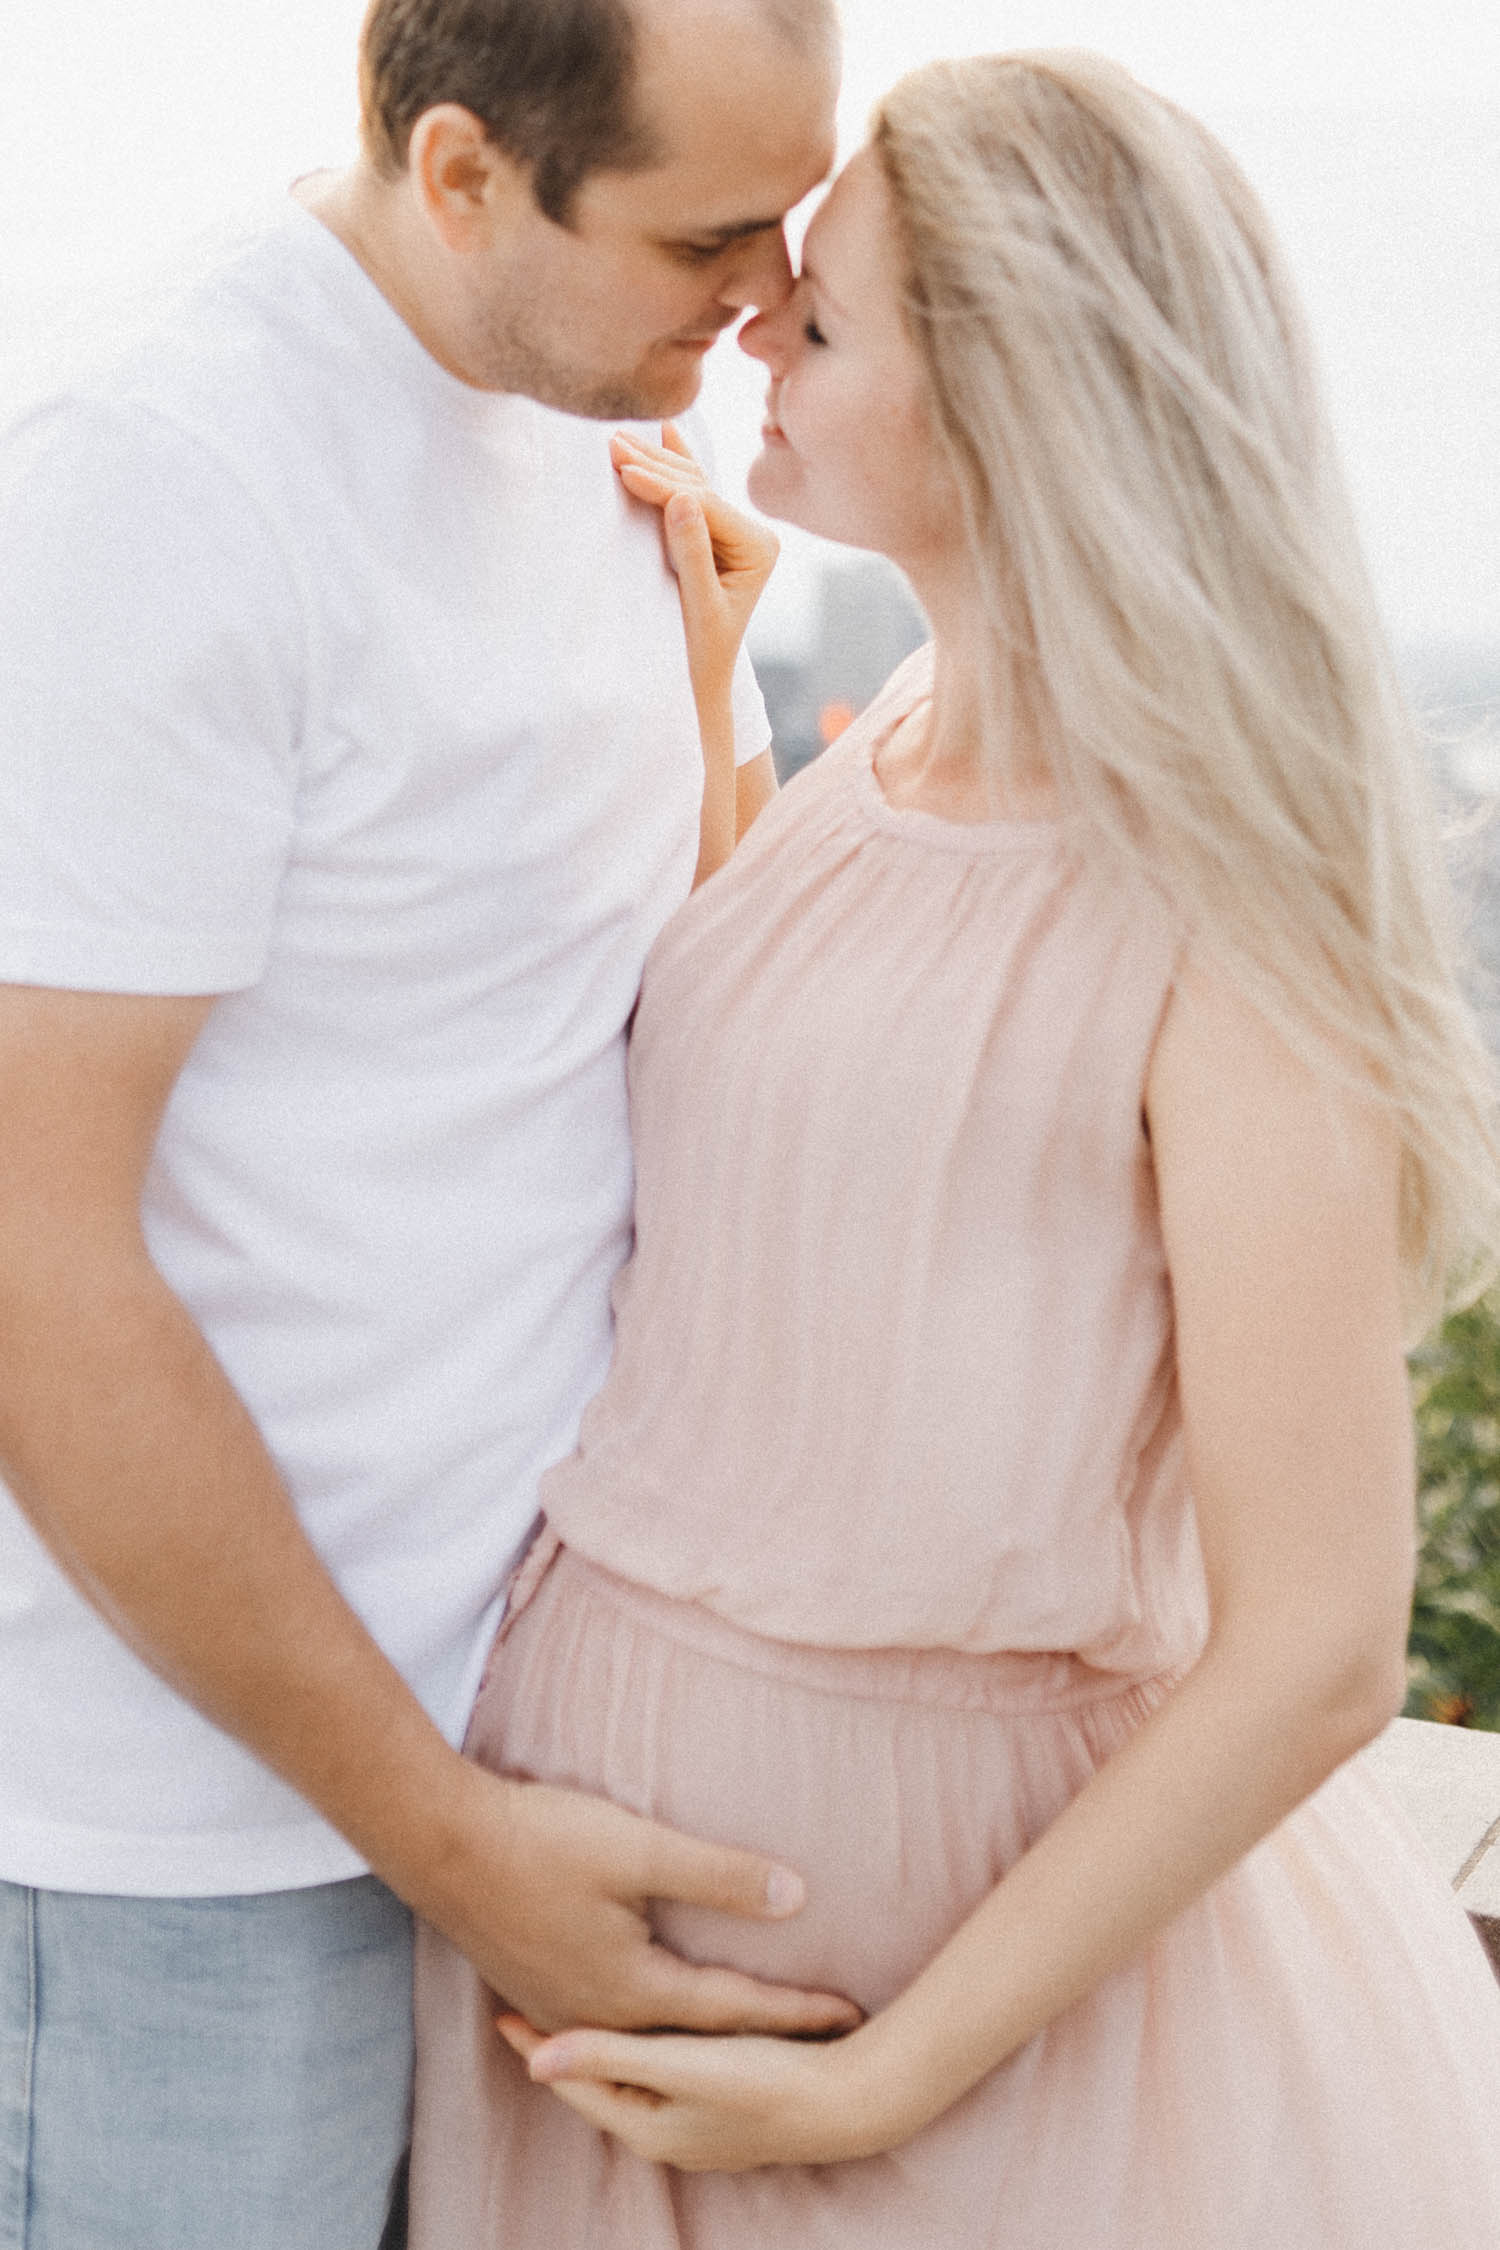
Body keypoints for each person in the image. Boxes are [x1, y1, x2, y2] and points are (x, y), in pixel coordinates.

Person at [408, 50, 1500, 2249]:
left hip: (957, 2054)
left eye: (821, 318)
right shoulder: (883, 737)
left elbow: (1314, 1647)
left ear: (1015, 393)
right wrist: (713, 702)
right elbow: (793, 1119)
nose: (751, 340)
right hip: (604, 1976)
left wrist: (883, 2079)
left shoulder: (1215, 902)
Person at [0, 3, 850, 2245]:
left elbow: (587, 1050)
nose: (767, 301)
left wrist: (705, 700)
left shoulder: (594, 422)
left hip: (517, 1790)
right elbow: (29, 1268)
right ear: (465, 171)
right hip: (202, 1850)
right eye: (713, 237)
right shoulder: (155, 483)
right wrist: (458, 1851)